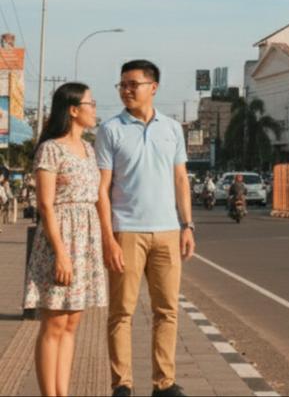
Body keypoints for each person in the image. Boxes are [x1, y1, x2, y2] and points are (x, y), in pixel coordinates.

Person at [96, 60, 192, 397]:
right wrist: (108, 238)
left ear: (153, 87)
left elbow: (180, 179)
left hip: (167, 231)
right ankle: (121, 384)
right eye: (122, 84)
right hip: (127, 231)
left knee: (167, 310)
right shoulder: (110, 130)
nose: (126, 90)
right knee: (121, 312)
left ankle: (164, 384)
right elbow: (102, 189)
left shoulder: (172, 128)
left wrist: (187, 225)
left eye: (132, 84)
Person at [23, 82, 107, 397]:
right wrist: (61, 253)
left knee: (72, 324)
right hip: (60, 240)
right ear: (73, 110)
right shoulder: (51, 149)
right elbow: (45, 205)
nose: (94, 109)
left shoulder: (89, 149)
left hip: (85, 242)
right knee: (54, 324)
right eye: (90, 103)